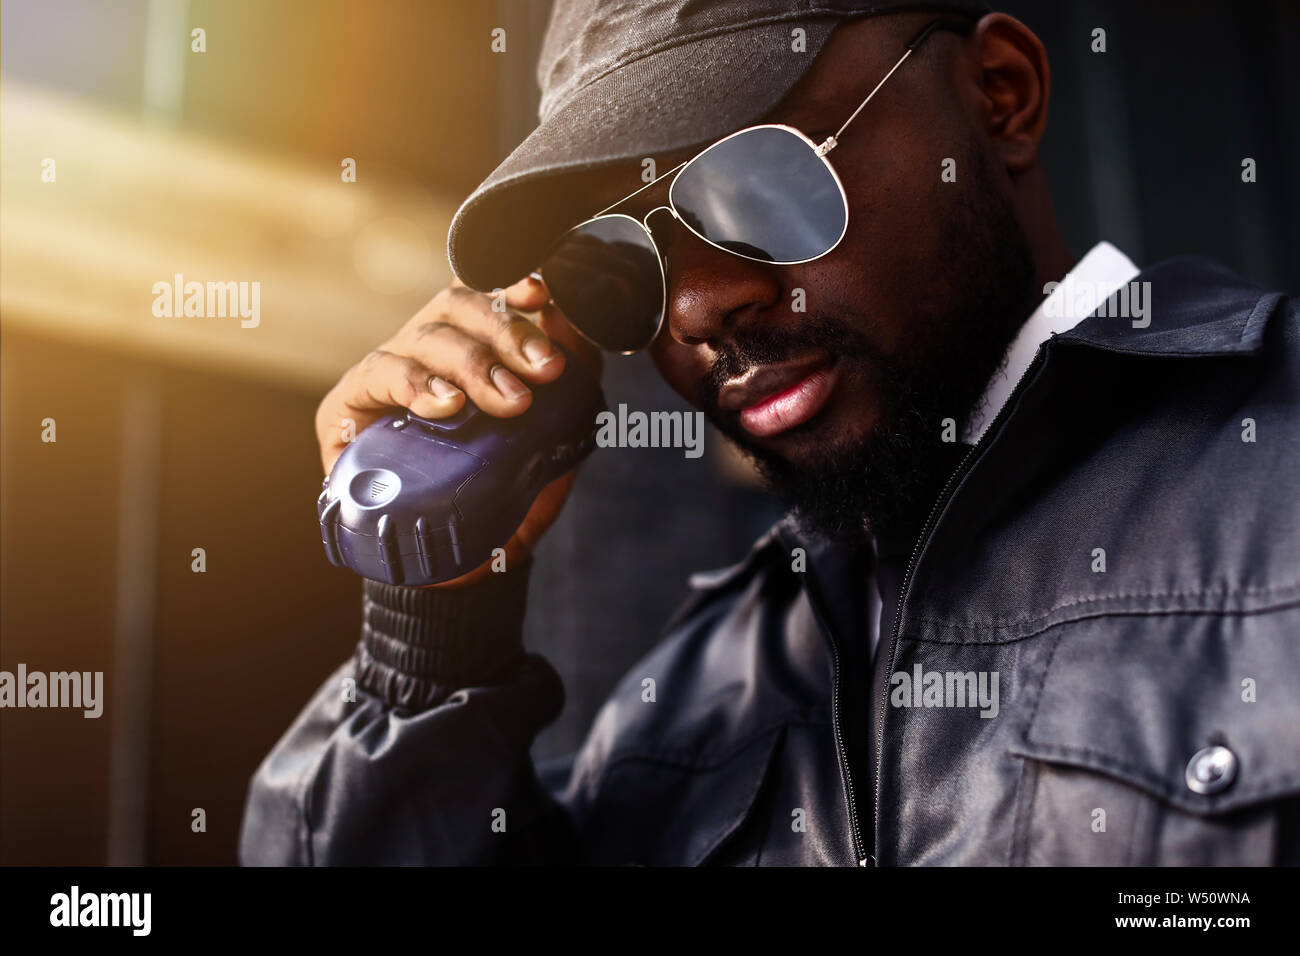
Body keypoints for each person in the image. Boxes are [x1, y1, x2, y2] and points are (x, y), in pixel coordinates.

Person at [239, 0, 1300, 865]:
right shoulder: (689, 708)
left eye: (758, 183)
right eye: (619, 264)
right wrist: (435, 638)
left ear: (1000, 95)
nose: (700, 307)